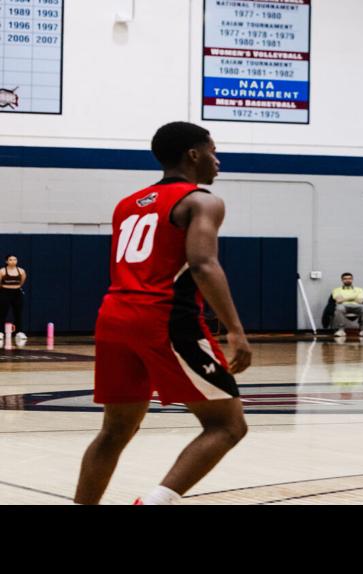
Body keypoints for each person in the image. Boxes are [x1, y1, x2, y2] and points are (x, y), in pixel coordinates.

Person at [74, 121, 255, 506]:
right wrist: (236, 330)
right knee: (227, 424)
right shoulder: (201, 200)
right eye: (213, 151)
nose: (218, 161)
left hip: (114, 317)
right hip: (164, 318)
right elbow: (203, 264)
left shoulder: (127, 204)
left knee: (115, 431)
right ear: (194, 154)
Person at [327, 272, 363, 337]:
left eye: (349, 278)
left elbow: (360, 301)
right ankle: (341, 330)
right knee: (339, 308)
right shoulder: (337, 290)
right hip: (343, 306)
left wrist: (344, 298)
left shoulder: (359, 289)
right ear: (342, 280)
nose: (348, 280)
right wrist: (354, 297)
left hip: (357, 306)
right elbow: (339, 300)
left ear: (352, 279)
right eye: (345, 279)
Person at [2, 256, 26, 344]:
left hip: (17, 293)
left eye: (15, 259)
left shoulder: (21, 271)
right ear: (6, 261)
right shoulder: (2, 271)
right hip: (5, 293)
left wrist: (15, 288)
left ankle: (19, 332)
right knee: (2, 313)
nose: (13, 261)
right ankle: (0, 332)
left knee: (18, 313)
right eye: (10, 260)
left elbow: (22, 281)